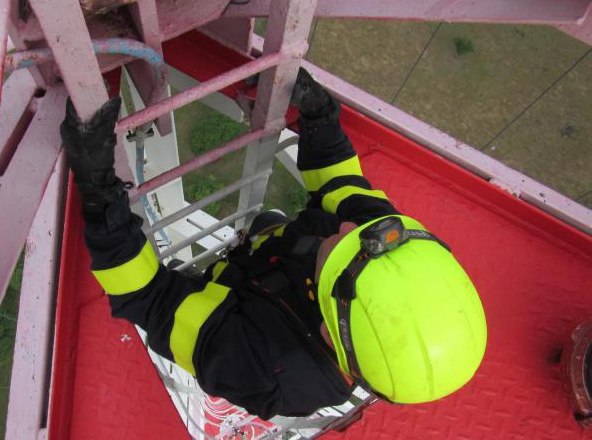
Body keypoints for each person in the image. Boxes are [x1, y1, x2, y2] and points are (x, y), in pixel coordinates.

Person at [59, 68, 487, 419]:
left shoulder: (259, 369)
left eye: (340, 249)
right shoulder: (381, 246)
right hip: (275, 262)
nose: (345, 229)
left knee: (188, 290)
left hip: (233, 302)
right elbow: (342, 187)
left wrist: (100, 197)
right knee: (270, 223)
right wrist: (320, 119)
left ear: (328, 328)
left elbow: (146, 296)